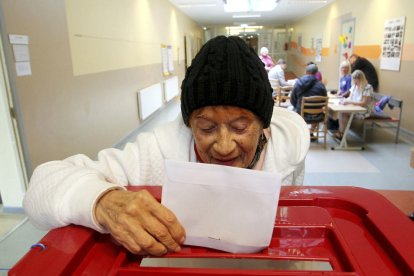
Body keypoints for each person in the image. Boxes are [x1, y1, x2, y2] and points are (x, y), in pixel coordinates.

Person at [23, 36, 310, 257]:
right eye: (207, 127)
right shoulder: (157, 151)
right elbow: (41, 188)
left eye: (239, 127)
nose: (224, 146)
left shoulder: (289, 152)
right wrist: (103, 201)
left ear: (263, 125)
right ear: (188, 124)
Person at [290, 63, 327, 139]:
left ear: (306, 71)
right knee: (318, 111)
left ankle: (299, 133)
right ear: (316, 73)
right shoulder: (321, 85)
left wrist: (296, 106)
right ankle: (310, 132)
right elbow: (324, 101)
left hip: (301, 114)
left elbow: (293, 99)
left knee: (290, 109)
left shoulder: (298, 83)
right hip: (317, 116)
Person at [336, 70, 375, 140]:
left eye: (357, 81)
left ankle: (341, 133)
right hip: (355, 107)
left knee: (343, 113)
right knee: (341, 111)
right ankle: (341, 131)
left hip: (364, 110)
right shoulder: (354, 86)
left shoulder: (368, 88)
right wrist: (344, 100)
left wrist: (350, 102)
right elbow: (350, 97)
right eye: (354, 81)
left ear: (361, 79)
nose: (355, 83)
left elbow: (363, 103)